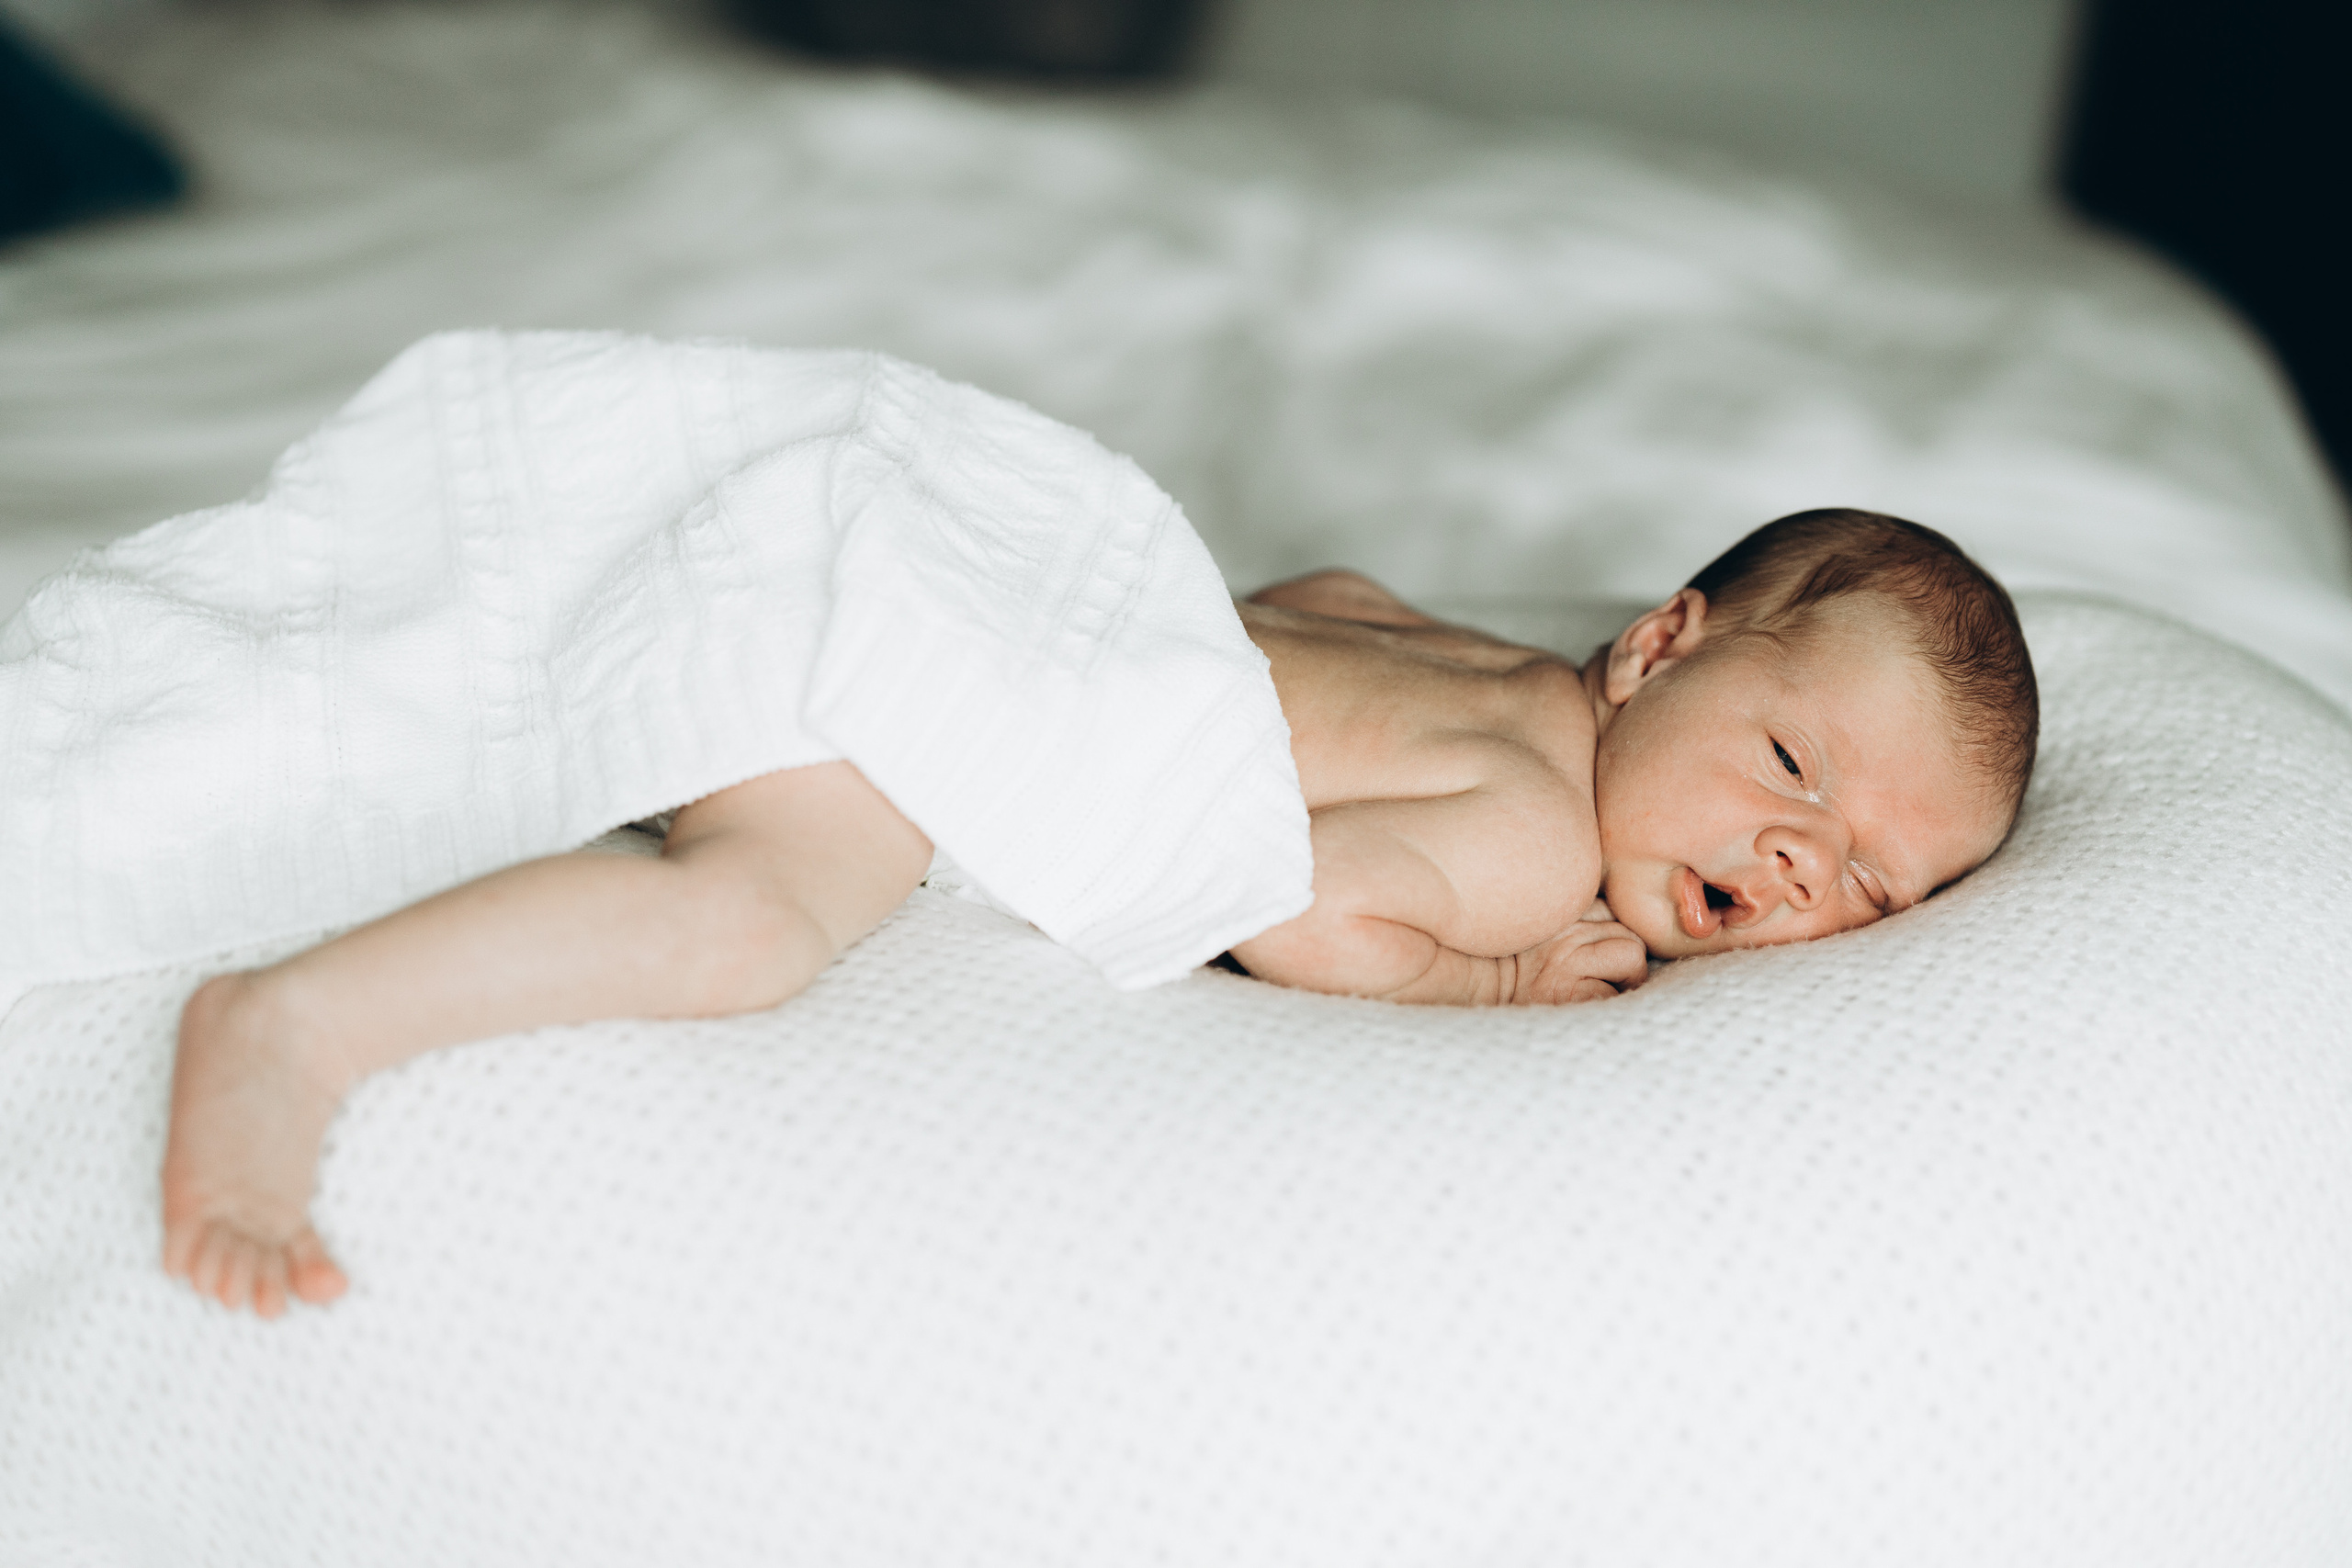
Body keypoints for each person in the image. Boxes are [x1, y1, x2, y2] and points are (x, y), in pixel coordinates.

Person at [161, 506, 2037, 1317]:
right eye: (1791, 764)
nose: (1804, 862)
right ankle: (291, 1024)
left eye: (1875, 881)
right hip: (889, 721)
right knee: (742, 921)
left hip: (908, 572)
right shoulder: (1536, 835)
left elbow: (1304, 583)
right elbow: (1292, 910)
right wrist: (1489, 979)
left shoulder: (1447, 652)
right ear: (1656, 645)